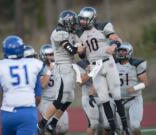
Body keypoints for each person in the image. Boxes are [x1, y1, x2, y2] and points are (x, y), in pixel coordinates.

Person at [77, 7, 130, 135]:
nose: (82, 22)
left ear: (92, 19)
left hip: (108, 63)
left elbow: (117, 39)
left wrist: (113, 46)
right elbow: (82, 55)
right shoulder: (79, 33)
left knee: (117, 96)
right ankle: (114, 130)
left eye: (85, 19)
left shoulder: (103, 26)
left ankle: (126, 128)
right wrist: (81, 51)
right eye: (81, 19)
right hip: (95, 67)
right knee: (104, 98)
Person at [0, 35, 43, 135]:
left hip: (7, 114)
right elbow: (38, 96)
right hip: (27, 112)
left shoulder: (0, 66)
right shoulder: (34, 64)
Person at [37, 10, 84, 135]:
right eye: (73, 23)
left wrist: (81, 46)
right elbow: (71, 50)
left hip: (68, 67)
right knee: (61, 98)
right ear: (67, 22)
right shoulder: (58, 33)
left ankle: (53, 123)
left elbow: (82, 54)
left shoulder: (70, 33)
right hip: (62, 67)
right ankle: (41, 124)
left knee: (70, 97)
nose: (75, 25)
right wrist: (79, 47)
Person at [116, 42, 148, 135]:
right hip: (119, 101)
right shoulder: (113, 64)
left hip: (134, 99)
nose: (121, 53)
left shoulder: (136, 64)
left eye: (123, 51)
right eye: (120, 51)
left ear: (129, 52)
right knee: (121, 129)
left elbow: (145, 83)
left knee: (135, 126)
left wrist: (134, 88)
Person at [38, 44, 69, 135]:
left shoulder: (59, 66)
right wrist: (49, 70)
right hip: (45, 100)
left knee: (63, 128)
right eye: (49, 54)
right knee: (51, 127)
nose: (52, 56)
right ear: (44, 56)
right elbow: (43, 84)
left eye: (53, 54)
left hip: (58, 100)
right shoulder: (40, 68)